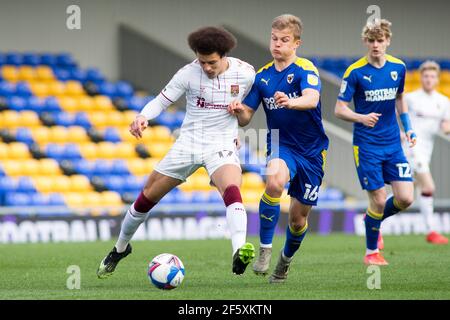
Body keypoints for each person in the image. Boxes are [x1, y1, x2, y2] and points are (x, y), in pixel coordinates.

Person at [97, 26, 256, 278]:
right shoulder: (188, 73)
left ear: (224, 55)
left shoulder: (246, 73)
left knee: (232, 189)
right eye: (202, 61)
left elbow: (248, 113)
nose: (206, 67)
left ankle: (239, 251)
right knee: (146, 198)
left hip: (221, 143)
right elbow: (161, 101)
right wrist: (142, 116)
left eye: (211, 62)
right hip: (188, 143)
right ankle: (120, 248)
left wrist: (239, 119)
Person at [228, 14, 329, 283]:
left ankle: (284, 262)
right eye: (274, 39)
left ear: (296, 43)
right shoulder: (262, 77)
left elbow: (312, 98)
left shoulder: (306, 69)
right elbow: (247, 115)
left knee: (297, 220)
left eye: (284, 40)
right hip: (280, 143)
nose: (277, 44)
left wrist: (291, 101)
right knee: (274, 183)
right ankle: (264, 250)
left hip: (311, 151)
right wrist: (239, 111)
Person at [334, 19, 417, 265]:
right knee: (379, 199)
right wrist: (361, 117)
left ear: (388, 41)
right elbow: (339, 109)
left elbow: (400, 97)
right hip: (367, 145)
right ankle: (371, 254)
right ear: (365, 42)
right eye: (371, 40)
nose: (376, 45)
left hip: (393, 144)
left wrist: (409, 128)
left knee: (405, 199)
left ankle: (372, 220)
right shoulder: (355, 72)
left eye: (380, 40)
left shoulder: (398, 68)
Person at [403, 60, 450, 244]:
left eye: (432, 76)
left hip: (426, 151)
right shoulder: (410, 98)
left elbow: (445, 126)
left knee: (406, 194)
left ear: (437, 79)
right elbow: (393, 116)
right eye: (426, 76)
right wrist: (399, 133)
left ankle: (375, 217)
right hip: (411, 149)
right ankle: (431, 231)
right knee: (428, 187)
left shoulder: (444, 102)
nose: (429, 79)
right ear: (421, 78)